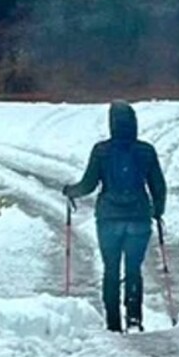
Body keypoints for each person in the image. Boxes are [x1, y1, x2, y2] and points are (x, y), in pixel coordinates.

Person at [63, 101, 167, 332]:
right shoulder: (146, 150)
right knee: (133, 269)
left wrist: (71, 191)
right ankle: (134, 318)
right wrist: (158, 210)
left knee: (111, 269)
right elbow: (158, 185)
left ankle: (112, 322)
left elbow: (88, 184)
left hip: (109, 219)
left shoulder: (101, 151)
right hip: (139, 218)